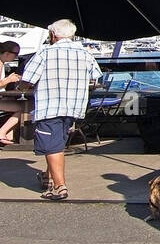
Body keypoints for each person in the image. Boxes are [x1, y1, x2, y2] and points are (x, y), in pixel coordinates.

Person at [16, 20, 102, 199]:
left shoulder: (45, 52)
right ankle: (48, 176)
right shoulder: (84, 52)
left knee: (52, 145)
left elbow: (28, 80)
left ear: (53, 35)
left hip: (50, 105)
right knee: (57, 143)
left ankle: (59, 186)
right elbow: (96, 79)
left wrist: (20, 87)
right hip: (74, 106)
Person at [0, 41, 23, 145]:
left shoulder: (2, 63)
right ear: (7, 53)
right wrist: (9, 80)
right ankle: (2, 132)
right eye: (16, 54)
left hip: (2, 97)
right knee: (23, 108)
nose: (16, 56)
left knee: (22, 105)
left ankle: (7, 135)